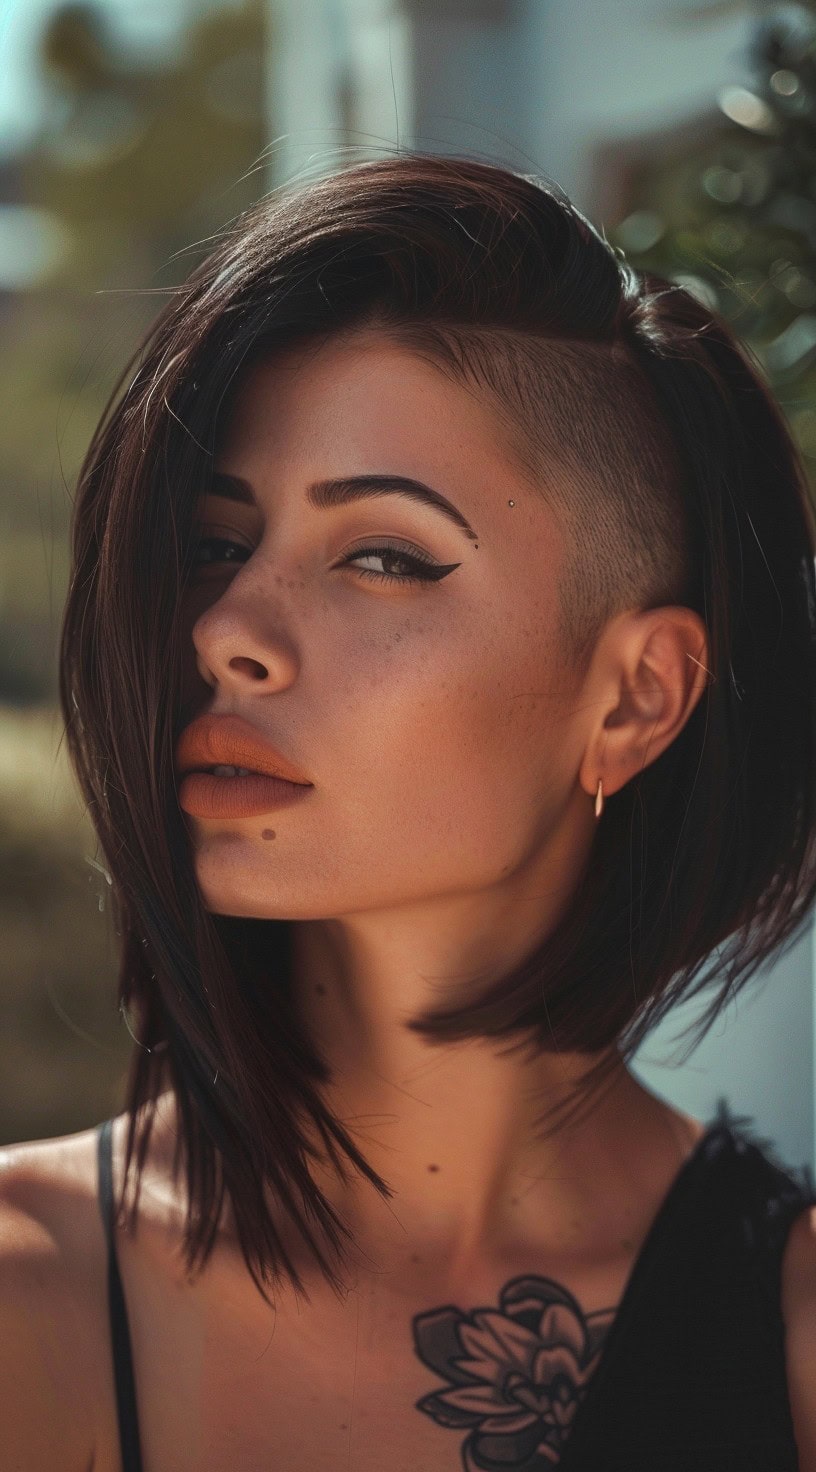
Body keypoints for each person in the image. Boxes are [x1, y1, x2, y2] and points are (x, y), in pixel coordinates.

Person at [1, 150, 815, 1472]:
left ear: (636, 700)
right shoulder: (28, 1299)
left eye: (381, 556)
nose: (225, 633)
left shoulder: (794, 1337)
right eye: (218, 544)